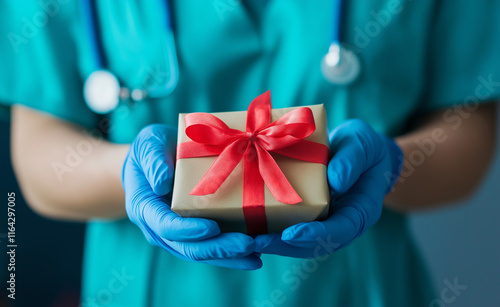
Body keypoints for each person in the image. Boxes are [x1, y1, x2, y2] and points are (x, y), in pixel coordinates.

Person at [1, 0, 499, 306]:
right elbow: (41, 155)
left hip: (357, 290)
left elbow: (466, 136)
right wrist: (128, 172)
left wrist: (390, 163)